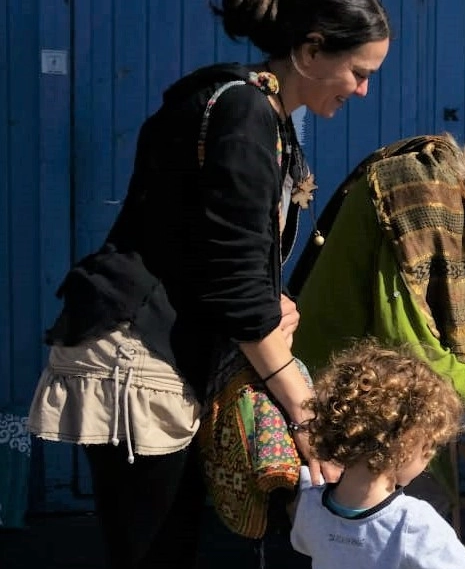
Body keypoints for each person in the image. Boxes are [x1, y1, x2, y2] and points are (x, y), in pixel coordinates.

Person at [26, 1, 390, 567]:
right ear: (313, 50)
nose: (363, 90)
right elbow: (234, 289)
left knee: (179, 541)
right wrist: (306, 414)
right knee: (155, 550)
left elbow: (220, 258)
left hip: (179, 349)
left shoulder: (264, 116)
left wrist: (274, 300)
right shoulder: (241, 110)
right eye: (359, 72)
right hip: (140, 352)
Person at [291, 122, 465, 407]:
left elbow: (440, 326)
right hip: (334, 384)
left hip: (361, 377)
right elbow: (408, 341)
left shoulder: (449, 194)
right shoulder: (420, 190)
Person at [290, 339, 465, 568]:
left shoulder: (310, 505)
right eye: (428, 447)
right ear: (406, 442)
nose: (430, 457)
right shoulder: (413, 524)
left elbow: (302, 543)